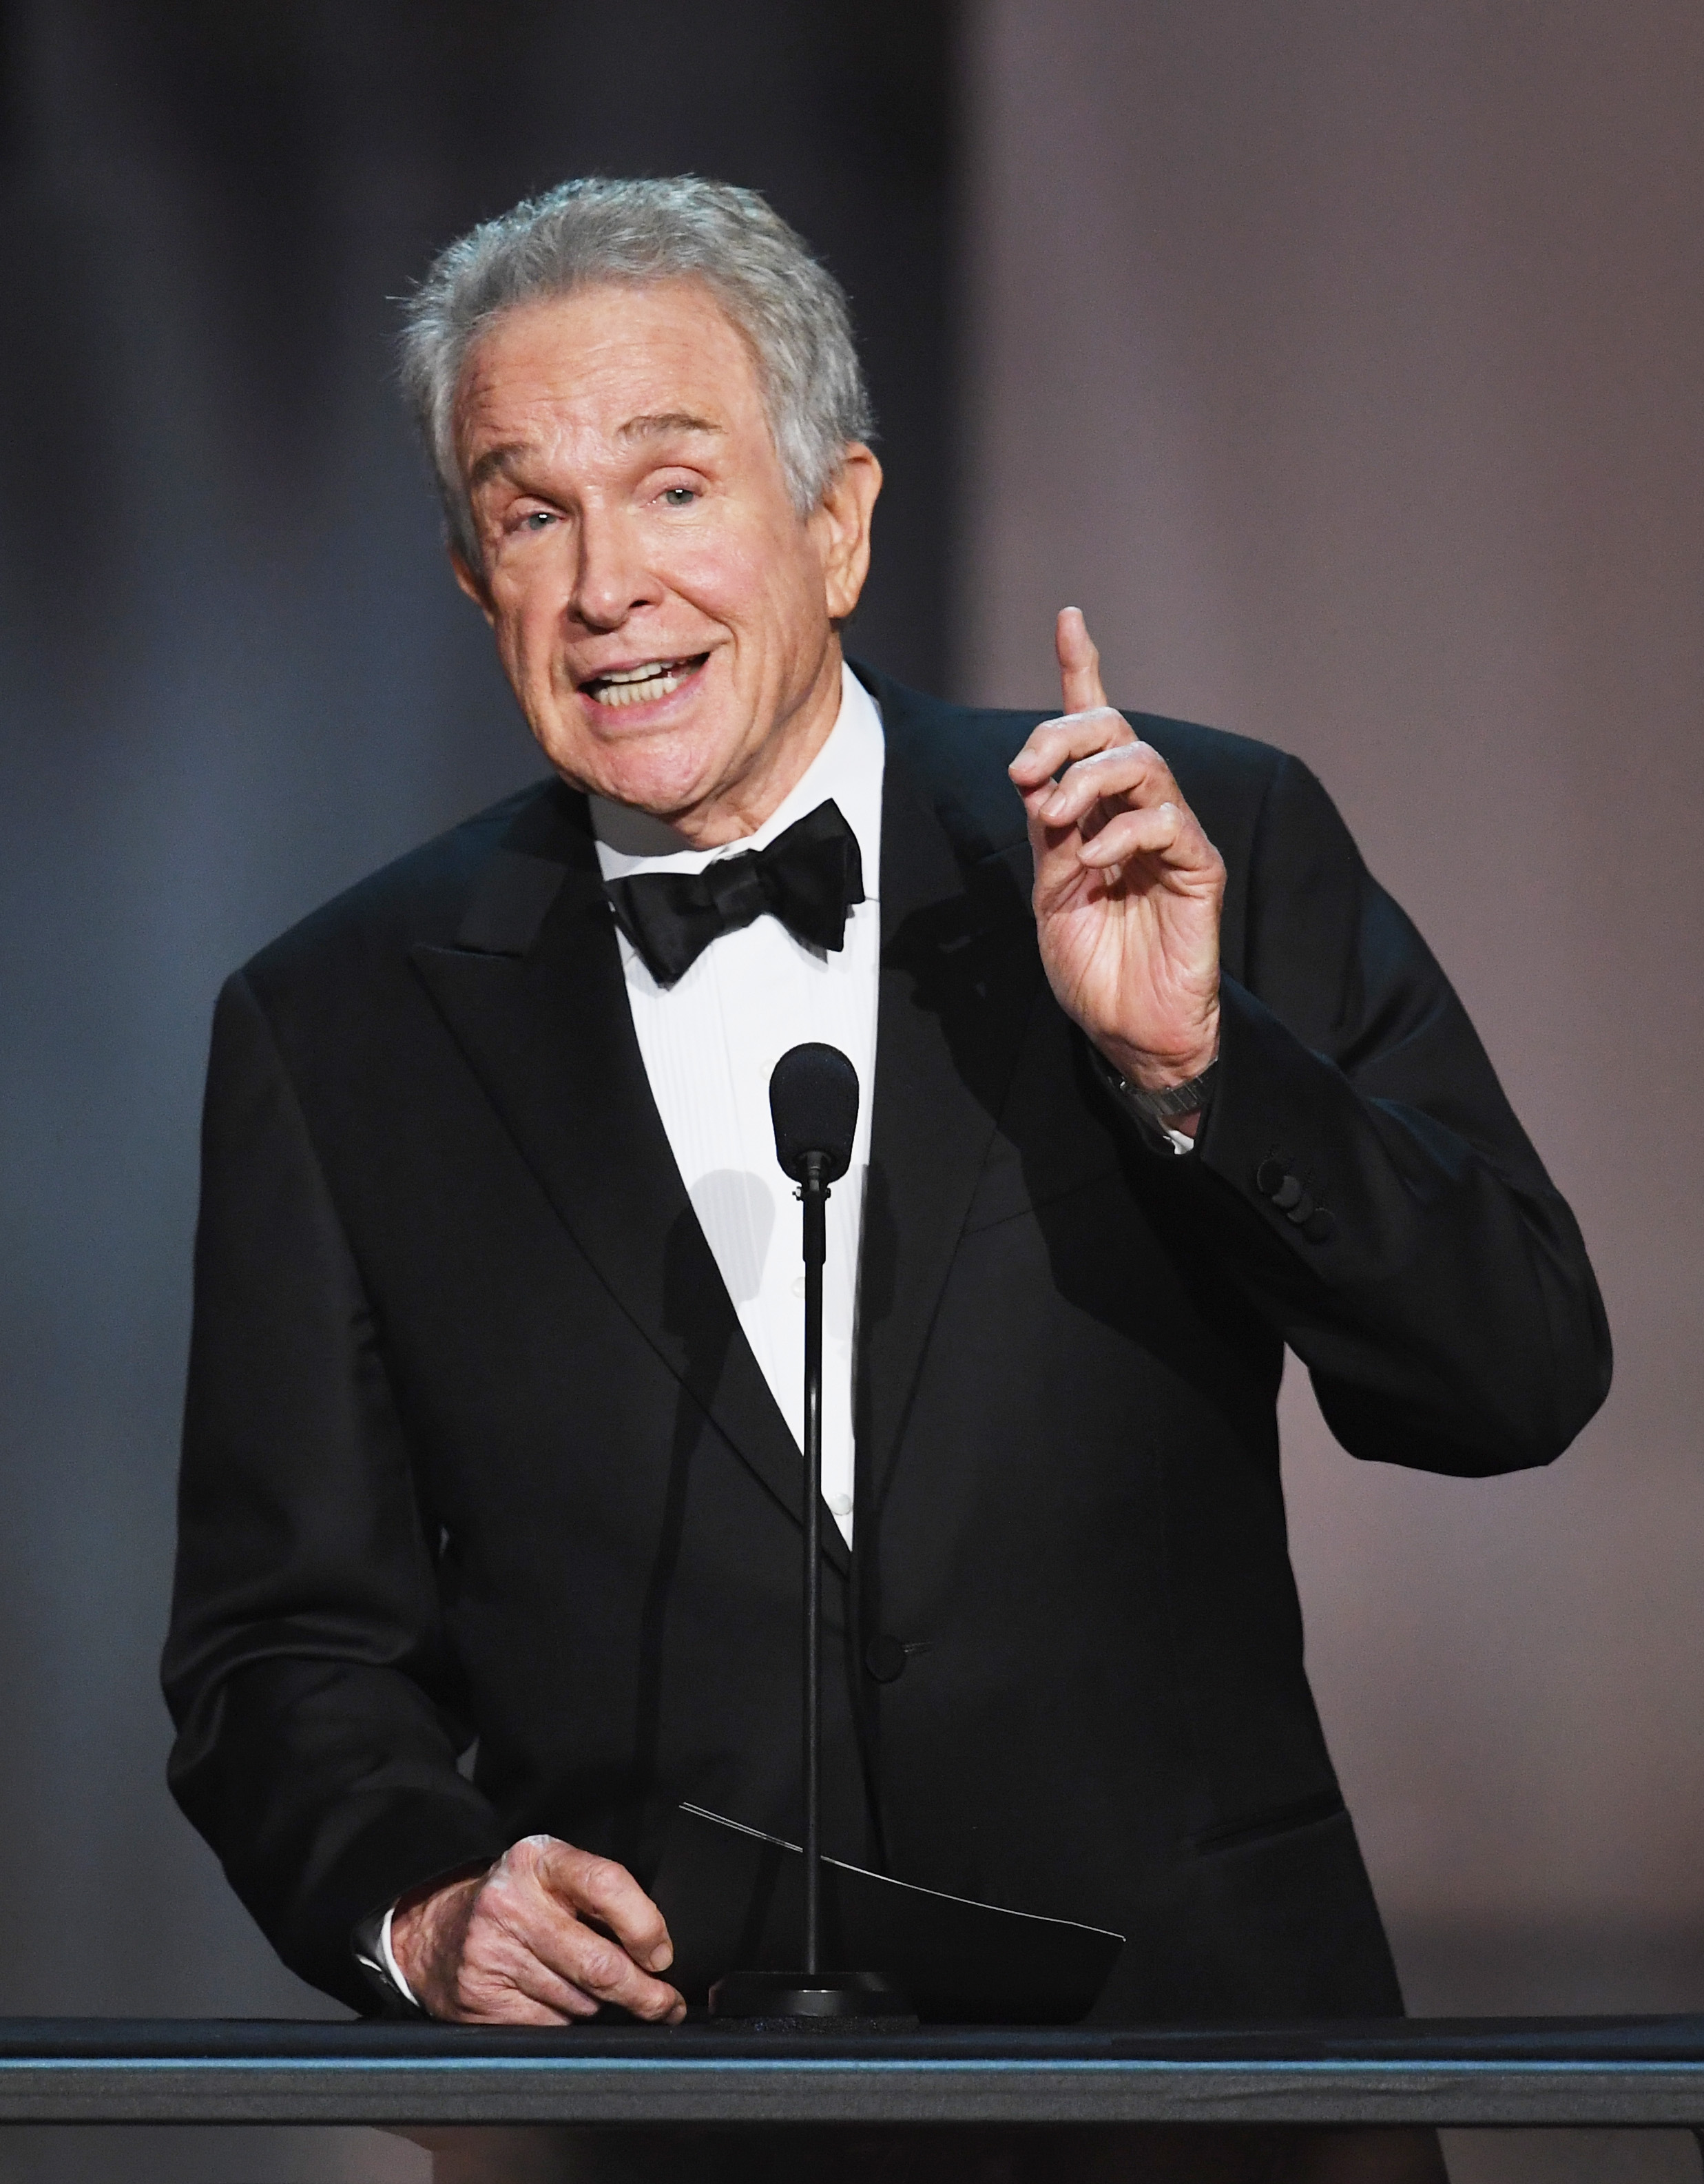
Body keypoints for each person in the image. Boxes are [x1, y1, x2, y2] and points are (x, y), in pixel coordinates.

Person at [163, 176, 1608, 2041]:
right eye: (535, 514)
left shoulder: (1184, 840)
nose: (608, 586)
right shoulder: (335, 1024)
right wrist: (419, 1901)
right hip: (660, 2147)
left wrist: (1196, 1066)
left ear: (834, 521)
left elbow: (1513, 1377)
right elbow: (282, 1647)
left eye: (674, 488)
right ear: (473, 577)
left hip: (1202, 2094)